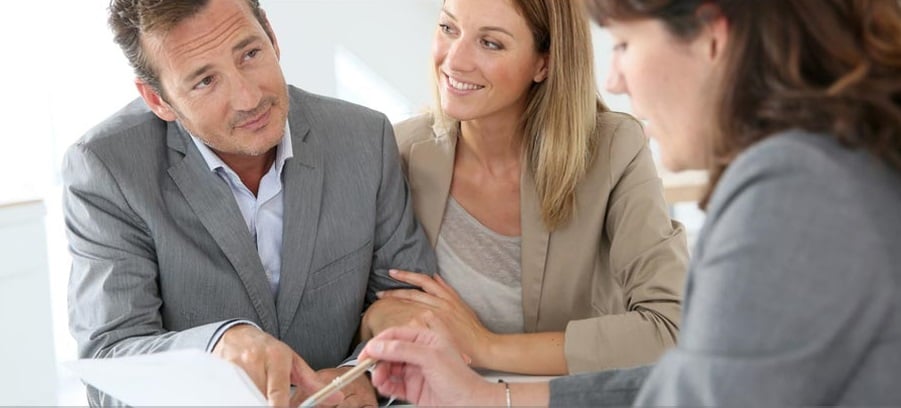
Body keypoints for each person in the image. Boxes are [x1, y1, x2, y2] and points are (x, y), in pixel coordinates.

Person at [360, 0, 901, 405]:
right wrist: (486, 397)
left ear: (712, 37)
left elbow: (690, 372)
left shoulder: (790, 185)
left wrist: (487, 353)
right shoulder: (831, 169)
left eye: (622, 44)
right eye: (448, 27)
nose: (614, 79)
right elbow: (698, 376)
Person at [62, 0, 437, 406]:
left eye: (250, 54)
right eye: (205, 81)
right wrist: (216, 346)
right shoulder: (106, 168)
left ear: (271, 37)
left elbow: (409, 306)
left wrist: (360, 379)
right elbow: (110, 362)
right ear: (157, 99)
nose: (248, 98)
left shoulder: (365, 137)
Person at [359, 0, 688, 376]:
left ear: (544, 63)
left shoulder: (614, 150)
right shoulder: (399, 151)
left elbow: (672, 327)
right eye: (449, 28)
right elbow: (364, 313)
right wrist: (380, 316)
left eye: (491, 43)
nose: (455, 61)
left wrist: (485, 345)